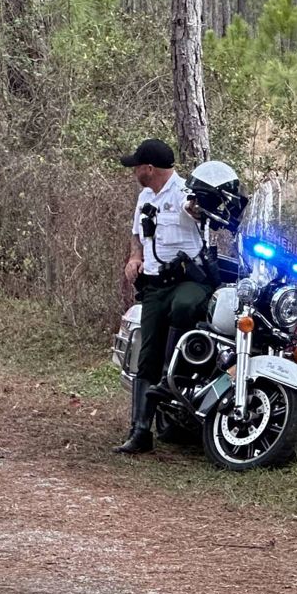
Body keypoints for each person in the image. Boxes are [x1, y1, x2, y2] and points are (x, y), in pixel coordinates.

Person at [114, 138, 210, 454]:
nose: (134, 173)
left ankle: (173, 376)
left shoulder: (184, 194)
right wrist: (134, 257)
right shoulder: (145, 196)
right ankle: (140, 432)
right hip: (154, 284)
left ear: (149, 168)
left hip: (186, 279)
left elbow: (196, 212)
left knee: (183, 307)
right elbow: (136, 235)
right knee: (147, 354)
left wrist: (198, 209)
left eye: (136, 167)